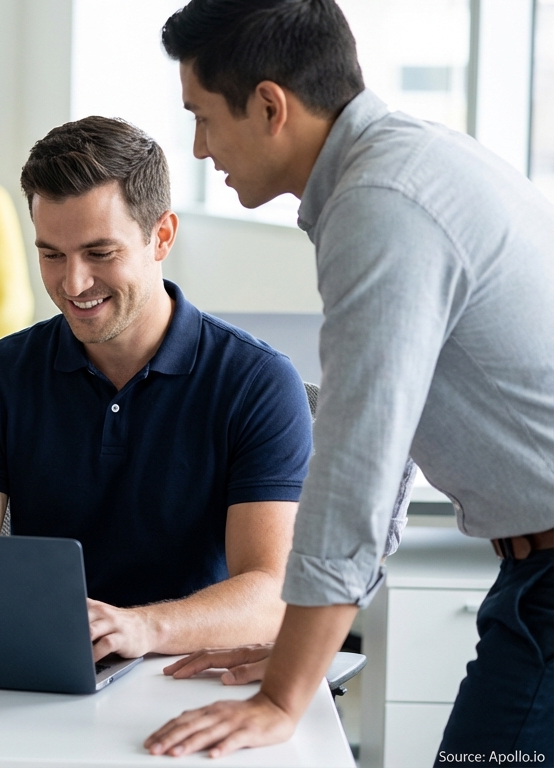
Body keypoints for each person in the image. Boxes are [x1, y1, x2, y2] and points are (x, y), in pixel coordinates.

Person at [147, 0, 554, 760]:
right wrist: (302, 650)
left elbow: (356, 466)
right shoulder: (396, 169)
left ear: (271, 106)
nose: (199, 149)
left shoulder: (381, 204)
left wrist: (283, 695)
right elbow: (390, 444)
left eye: (203, 118)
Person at [0, 116, 314, 660]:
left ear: (162, 237)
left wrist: (141, 628)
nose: (73, 283)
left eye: (100, 253)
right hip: (45, 665)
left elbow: (273, 594)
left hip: (188, 665)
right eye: (51, 254)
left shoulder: (257, 382)